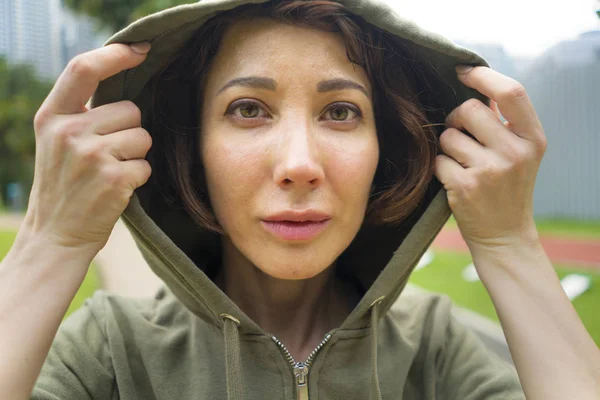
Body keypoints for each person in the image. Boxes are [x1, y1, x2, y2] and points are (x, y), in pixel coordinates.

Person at [0, 0, 598, 399]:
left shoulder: (433, 351)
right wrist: (51, 242)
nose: (299, 165)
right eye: (248, 109)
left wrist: (509, 243)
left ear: (383, 151)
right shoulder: (109, 351)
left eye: (340, 112)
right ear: (193, 147)